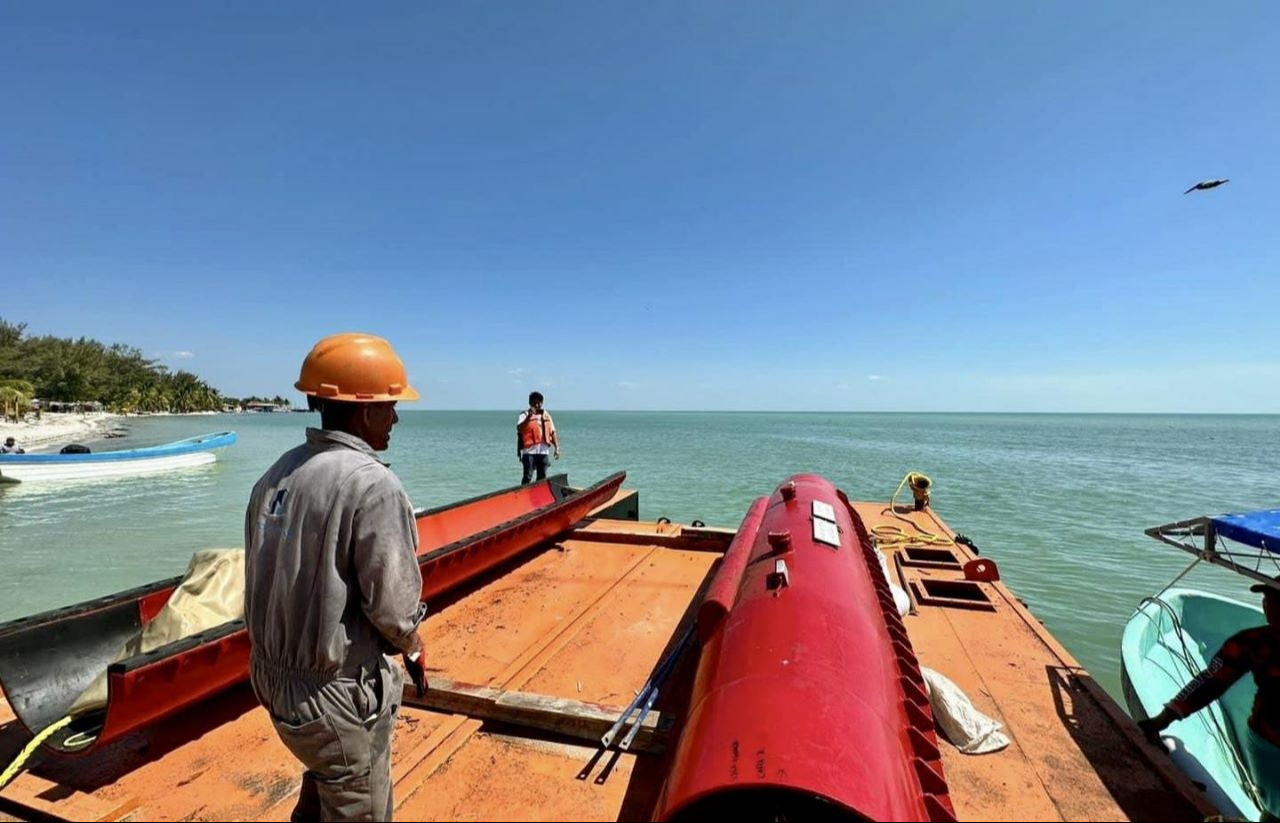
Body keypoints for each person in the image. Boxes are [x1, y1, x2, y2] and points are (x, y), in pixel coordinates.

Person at [243, 332, 429, 822]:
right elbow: (393, 607)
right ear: (365, 411)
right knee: (360, 801)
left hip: (272, 681)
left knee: (328, 777)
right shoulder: (373, 485)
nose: (395, 418)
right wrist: (412, 645)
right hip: (334, 694)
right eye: (390, 406)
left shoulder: (277, 474)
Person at [1138, 574, 1280, 822]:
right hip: (1269, 743)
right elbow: (1211, 681)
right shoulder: (1254, 642)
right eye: (1267, 597)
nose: (1266, 604)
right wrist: (1164, 718)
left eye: (1275, 599)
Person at [516, 391, 560, 484]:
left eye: (539, 403)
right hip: (529, 452)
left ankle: (539, 496)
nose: (537, 405)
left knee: (542, 477)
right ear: (530, 403)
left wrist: (557, 448)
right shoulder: (524, 415)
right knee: (528, 476)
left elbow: (552, 432)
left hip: (543, 452)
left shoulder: (546, 415)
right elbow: (519, 428)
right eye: (534, 403)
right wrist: (529, 417)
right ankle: (524, 495)